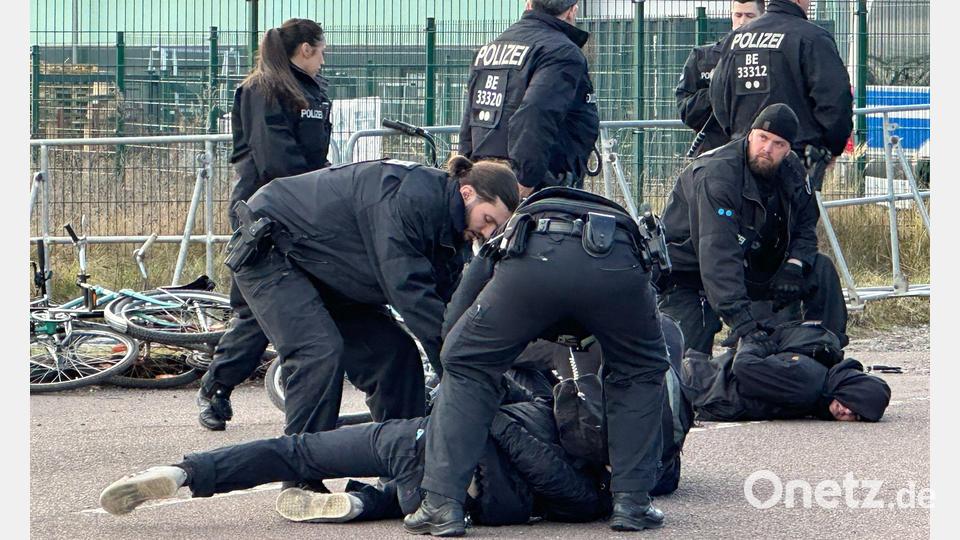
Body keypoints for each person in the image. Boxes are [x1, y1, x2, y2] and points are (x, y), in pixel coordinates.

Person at [405, 187, 671, 536]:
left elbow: (457, 316)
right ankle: (633, 504)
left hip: (536, 258)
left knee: (467, 365)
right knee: (640, 372)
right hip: (619, 262)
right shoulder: (619, 230)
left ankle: (441, 505)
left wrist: (461, 355)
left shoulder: (511, 230)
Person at [226, 157, 517, 459]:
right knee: (317, 352)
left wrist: (481, 366)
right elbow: (410, 292)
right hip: (272, 244)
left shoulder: (451, 231)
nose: (486, 233)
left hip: (331, 269)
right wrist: (458, 371)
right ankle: (302, 476)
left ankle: (404, 463)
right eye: (488, 220)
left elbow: (448, 309)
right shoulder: (410, 197)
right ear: (467, 193)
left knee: (395, 357)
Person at [98, 368, 614, 527]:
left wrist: (480, 405)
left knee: (295, 451)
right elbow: (570, 497)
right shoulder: (594, 480)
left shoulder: (546, 410)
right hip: (456, 491)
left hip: (411, 440)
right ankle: (364, 503)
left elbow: (496, 410)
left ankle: (185, 472)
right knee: (406, 495)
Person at [198, 18, 334, 431]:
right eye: (322, 50)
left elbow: (312, 154)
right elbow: (276, 158)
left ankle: (304, 393)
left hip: (305, 205)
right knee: (256, 312)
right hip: (262, 212)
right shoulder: (262, 88)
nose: (324, 58)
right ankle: (216, 389)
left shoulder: (312, 89)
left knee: (320, 302)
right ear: (306, 48)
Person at [658, 103, 849, 355]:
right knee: (687, 363)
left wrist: (794, 265)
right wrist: (743, 323)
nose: (767, 149)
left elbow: (805, 224)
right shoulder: (718, 176)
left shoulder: (792, 171)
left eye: (778, 144)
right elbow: (718, 254)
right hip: (689, 273)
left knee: (820, 269)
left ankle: (823, 352)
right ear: (750, 135)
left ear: (788, 149)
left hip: (751, 263)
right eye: (763, 138)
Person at [458, 0, 599, 196]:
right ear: (571, 12)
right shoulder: (562, 52)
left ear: (528, 5)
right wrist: (525, 178)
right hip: (537, 187)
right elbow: (535, 113)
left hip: (482, 177)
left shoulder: (490, 48)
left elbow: (471, 116)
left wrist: (464, 172)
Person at [708, 0, 854, 186]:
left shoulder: (736, 39)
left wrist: (739, 137)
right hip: (796, 159)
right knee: (793, 214)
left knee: (747, 213)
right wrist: (832, 147)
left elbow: (718, 97)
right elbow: (835, 101)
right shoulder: (812, 38)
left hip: (744, 156)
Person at [682, 321, 891, 422]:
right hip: (699, 386)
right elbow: (744, 366)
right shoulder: (807, 383)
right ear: (847, 390)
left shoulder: (821, 385)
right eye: (852, 404)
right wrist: (758, 340)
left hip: (701, 385)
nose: (846, 412)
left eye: (856, 416)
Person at [675, 0, 765, 156]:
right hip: (714, 151)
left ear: (762, 17)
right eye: (738, 15)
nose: (743, 21)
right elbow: (686, 112)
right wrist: (717, 90)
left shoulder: (772, 58)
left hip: (758, 154)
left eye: (750, 15)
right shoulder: (703, 57)